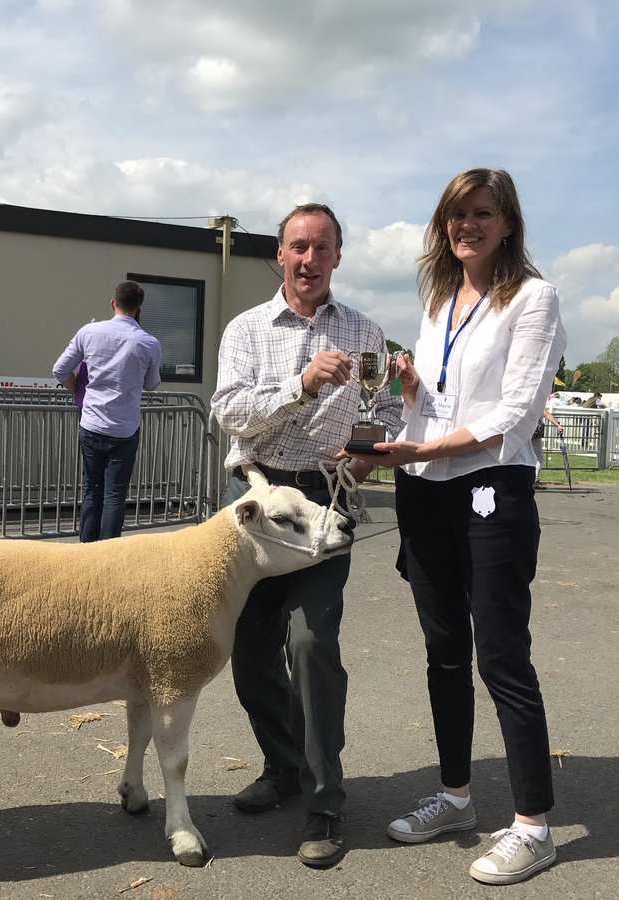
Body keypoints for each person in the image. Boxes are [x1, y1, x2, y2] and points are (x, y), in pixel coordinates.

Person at [351, 168, 566, 885]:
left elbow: (517, 412)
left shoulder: (532, 299)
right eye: (455, 215)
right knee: (444, 651)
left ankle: (534, 825)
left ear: (508, 224)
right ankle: (455, 797)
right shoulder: (440, 297)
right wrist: (414, 396)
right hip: (425, 489)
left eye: (481, 213)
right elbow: (446, 399)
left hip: (489, 488)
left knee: (501, 653)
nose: (466, 225)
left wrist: (431, 446)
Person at [211, 203, 402, 870]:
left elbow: (388, 411)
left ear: (338, 257)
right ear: (280, 255)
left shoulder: (366, 331)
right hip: (259, 498)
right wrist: (300, 384)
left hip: (327, 496)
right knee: (250, 644)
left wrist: (368, 454)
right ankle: (282, 764)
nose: (309, 259)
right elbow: (229, 412)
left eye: (322, 248)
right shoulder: (246, 329)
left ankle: (326, 798)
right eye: (298, 247)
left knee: (311, 640)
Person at [52, 281, 162, 542]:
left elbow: (60, 369)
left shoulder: (89, 332)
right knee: (115, 495)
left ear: (113, 304)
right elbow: (151, 384)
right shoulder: (149, 343)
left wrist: (77, 391)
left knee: (92, 491)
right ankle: (109, 559)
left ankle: (85, 552)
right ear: (138, 309)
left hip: (91, 423)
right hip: (124, 429)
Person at [531, 407, 564, 487]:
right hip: (534, 432)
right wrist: (557, 425)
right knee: (539, 458)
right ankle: (534, 480)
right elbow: (546, 413)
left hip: (521, 432)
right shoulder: (536, 401)